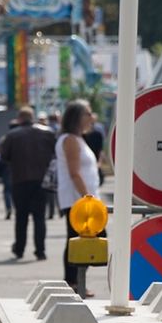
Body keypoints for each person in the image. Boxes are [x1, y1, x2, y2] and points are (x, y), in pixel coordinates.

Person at [56, 100, 101, 295]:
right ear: (77, 117)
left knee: (81, 239)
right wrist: (87, 197)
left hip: (82, 198)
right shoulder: (70, 140)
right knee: (78, 238)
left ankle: (75, 280)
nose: (92, 118)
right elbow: (74, 172)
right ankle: (73, 280)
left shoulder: (78, 139)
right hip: (78, 199)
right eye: (88, 114)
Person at [0, 106, 56, 261]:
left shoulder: (12, 135)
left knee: (21, 217)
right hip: (41, 180)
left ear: (19, 118)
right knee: (40, 217)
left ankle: (19, 249)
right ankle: (40, 250)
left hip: (20, 180)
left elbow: (4, 156)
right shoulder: (47, 133)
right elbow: (55, 154)